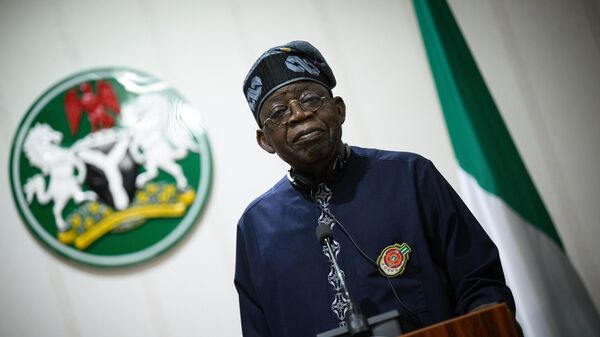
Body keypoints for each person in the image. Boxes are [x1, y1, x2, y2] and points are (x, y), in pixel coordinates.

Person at [235, 40, 515, 337]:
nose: (299, 115)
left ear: (339, 110)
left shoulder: (410, 177)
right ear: (264, 139)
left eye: (310, 99)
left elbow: (480, 283)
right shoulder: (256, 228)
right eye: (278, 112)